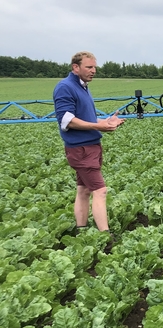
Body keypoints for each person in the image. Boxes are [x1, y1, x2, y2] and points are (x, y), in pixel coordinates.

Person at [53, 51, 124, 233]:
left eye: (94, 67)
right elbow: (67, 121)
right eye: (89, 67)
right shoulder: (66, 87)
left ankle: (81, 230)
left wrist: (106, 122)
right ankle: (105, 237)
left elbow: (87, 118)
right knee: (100, 191)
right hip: (81, 149)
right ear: (75, 67)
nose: (94, 71)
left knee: (83, 190)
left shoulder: (82, 87)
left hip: (90, 147)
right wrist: (98, 127)